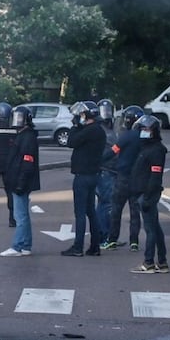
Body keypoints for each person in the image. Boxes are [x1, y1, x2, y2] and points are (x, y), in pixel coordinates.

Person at [62, 100, 106, 257]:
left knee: (80, 212)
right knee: (91, 212)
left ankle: (78, 246)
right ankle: (95, 246)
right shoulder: (99, 130)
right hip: (94, 174)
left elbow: (71, 142)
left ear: (86, 115)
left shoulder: (88, 131)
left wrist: (75, 126)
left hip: (82, 176)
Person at [101, 105, 144, 251]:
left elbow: (113, 151)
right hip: (138, 179)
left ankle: (112, 239)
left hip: (123, 177)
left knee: (116, 209)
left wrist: (99, 160)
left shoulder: (126, 136)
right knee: (135, 212)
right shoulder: (144, 137)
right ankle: (134, 242)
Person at [130, 115, 169, 273]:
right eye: (142, 129)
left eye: (147, 129)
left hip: (147, 194)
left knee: (150, 229)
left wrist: (147, 198)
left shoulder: (156, 150)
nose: (144, 132)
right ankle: (162, 261)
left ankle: (149, 262)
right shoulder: (146, 147)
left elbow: (155, 176)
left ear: (154, 131)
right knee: (156, 228)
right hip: (143, 193)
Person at [0, 105, 40, 256]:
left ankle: (17, 246)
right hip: (19, 180)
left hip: (20, 181)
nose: (16, 120)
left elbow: (27, 162)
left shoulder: (27, 137)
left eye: (19, 118)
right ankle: (26, 245)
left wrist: (20, 183)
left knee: (20, 216)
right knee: (23, 215)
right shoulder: (24, 135)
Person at [95, 98, 117, 241]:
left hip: (110, 170)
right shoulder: (101, 130)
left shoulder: (109, 128)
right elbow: (102, 154)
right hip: (105, 170)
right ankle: (103, 236)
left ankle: (106, 234)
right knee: (105, 203)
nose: (107, 114)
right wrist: (116, 150)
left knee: (106, 204)